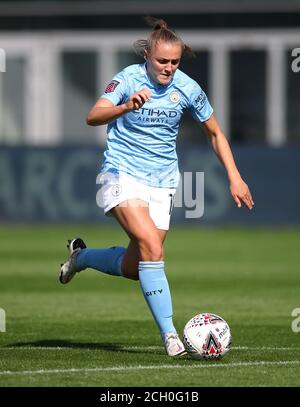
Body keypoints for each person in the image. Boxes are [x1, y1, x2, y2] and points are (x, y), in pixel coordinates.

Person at [59, 17, 254, 357]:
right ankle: (171, 337)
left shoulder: (188, 88)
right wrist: (125, 106)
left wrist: (235, 176)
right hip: (120, 174)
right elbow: (93, 115)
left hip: (162, 183)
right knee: (151, 245)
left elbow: (214, 133)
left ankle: (81, 257)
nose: (168, 68)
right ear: (147, 55)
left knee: (137, 266)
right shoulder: (127, 78)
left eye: (174, 62)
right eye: (162, 61)